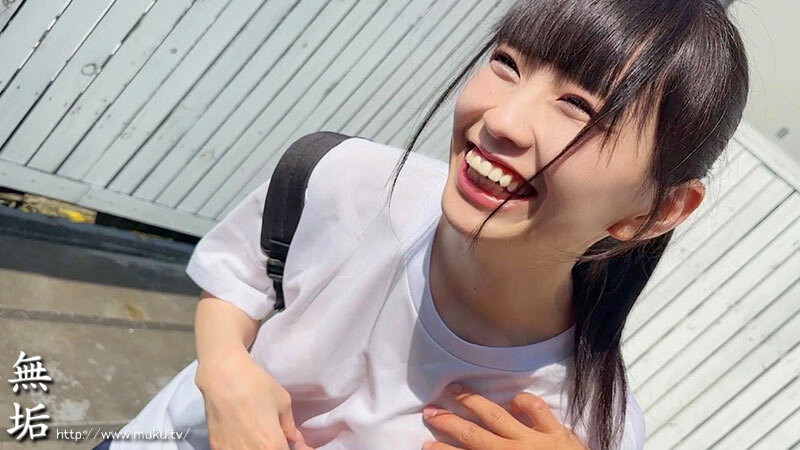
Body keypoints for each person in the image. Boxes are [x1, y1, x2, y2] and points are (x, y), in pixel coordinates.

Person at [98, 0, 749, 448]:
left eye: (580, 106)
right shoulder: (346, 178)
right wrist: (223, 370)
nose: (502, 120)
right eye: (508, 63)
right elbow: (238, 275)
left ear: (658, 211)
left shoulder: (580, 429)